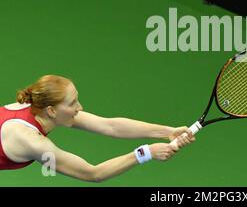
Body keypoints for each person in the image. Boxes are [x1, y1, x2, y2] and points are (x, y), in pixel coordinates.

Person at [0, 75, 195, 182]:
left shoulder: (37, 106)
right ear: (51, 110)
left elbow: (110, 126)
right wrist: (145, 153)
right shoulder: (33, 142)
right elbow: (92, 174)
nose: (80, 108)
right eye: (73, 103)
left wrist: (166, 131)